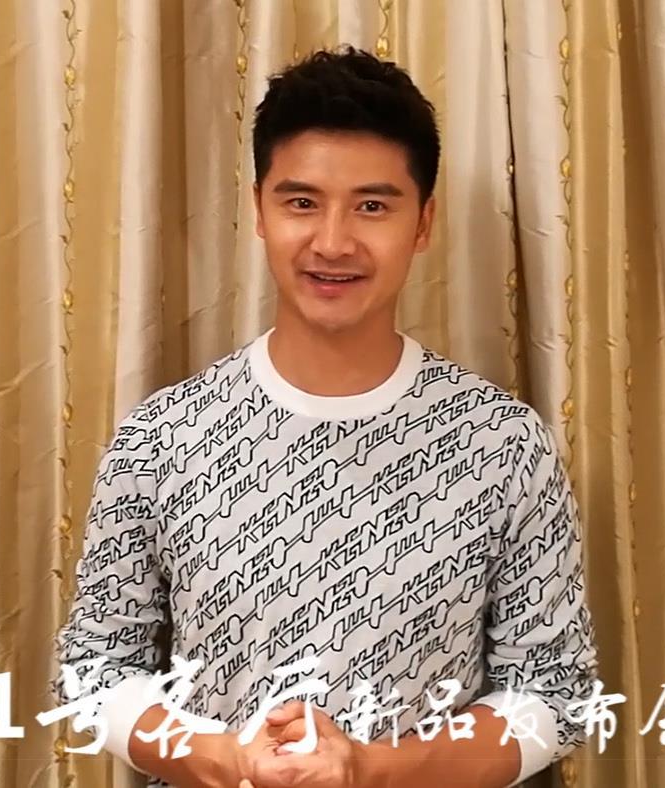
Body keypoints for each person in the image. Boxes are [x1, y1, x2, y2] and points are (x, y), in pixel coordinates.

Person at [53, 46, 598, 788]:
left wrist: (371, 770)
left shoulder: (504, 442)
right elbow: (94, 672)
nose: (334, 242)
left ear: (423, 222)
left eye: (372, 206)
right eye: (302, 202)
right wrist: (225, 759)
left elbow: (555, 696)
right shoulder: (163, 435)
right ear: (259, 210)